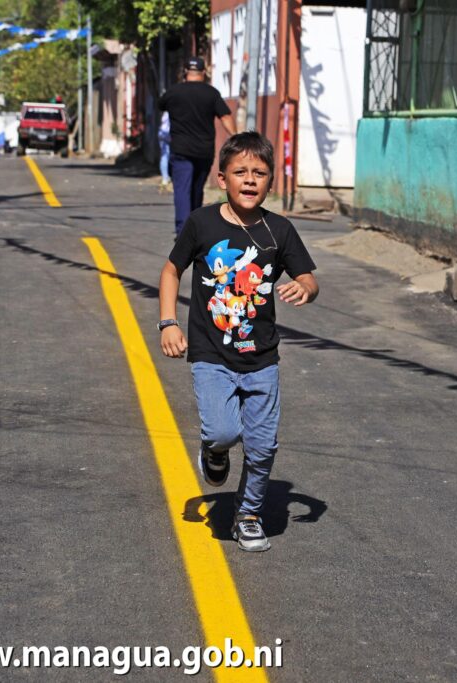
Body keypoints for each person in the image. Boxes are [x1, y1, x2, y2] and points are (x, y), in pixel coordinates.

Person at [157, 132, 319, 552]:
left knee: (263, 446)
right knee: (223, 430)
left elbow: (307, 278)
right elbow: (172, 271)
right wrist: (168, 323)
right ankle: (214, 453)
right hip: (211, 352)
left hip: (261, 357)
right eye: (240, 172)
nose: (250, 180)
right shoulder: (202, 223)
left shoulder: (278, 230)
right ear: (222, 177)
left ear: (271, 181)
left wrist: (305, 287)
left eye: (260, 173)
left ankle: (248, 515)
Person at [158, 57, 237, 236]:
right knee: (196, 189)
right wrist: (237, 137)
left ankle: (184, 231)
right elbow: (225, 117)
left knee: (182, 190)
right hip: (204, 150)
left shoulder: (173, 92)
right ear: (203, 72)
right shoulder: (211, 93)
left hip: (181, 150)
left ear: (185, 71)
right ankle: (194, 228)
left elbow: (161, 104)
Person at [158, 111, 172, 192]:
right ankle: (166, 177)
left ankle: (165, 177)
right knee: (166, 157)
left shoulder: (166, 113)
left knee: (164, 157)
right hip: (169, 135)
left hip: (163, 135)